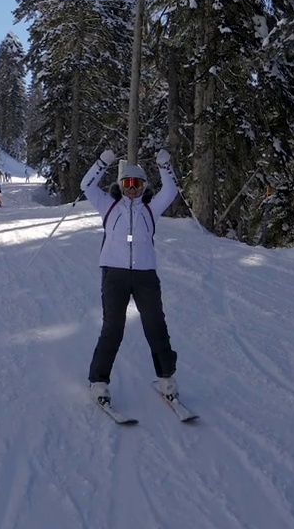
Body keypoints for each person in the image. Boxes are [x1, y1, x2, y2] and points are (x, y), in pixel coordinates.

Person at [80, 147, 180, 407]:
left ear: (144, 186)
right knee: (113, 327)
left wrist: (165, 166)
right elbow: (87, 185)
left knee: (156, 326)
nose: (132, 188)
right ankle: (99, 381)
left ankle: (166, 379)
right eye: (127, 183)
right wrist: (102, 162)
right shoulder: (109, 207)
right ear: (121, 185)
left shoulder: (151, 209)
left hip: (145, 274)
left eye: (137, 183)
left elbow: (170, 191)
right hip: (114, 274)